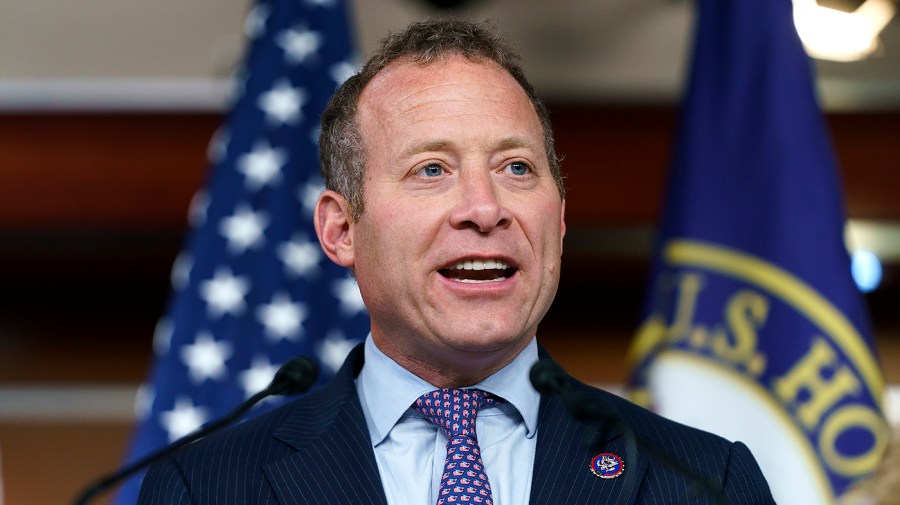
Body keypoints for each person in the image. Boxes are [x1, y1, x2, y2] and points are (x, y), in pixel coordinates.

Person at [137, 18, 776, 504]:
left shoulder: (701, 481)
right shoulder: (205, 487)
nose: (484, 207)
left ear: (556, 219)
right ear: (341, 230)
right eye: (432, 169)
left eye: (516, 168)